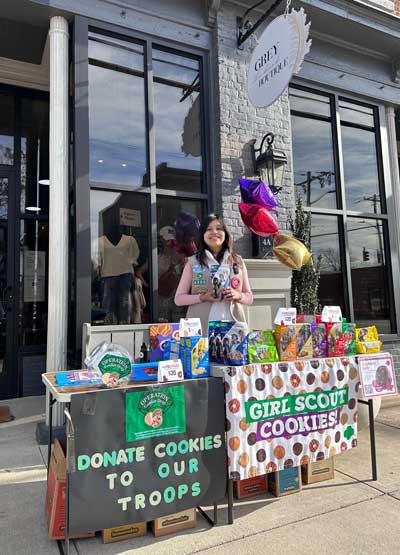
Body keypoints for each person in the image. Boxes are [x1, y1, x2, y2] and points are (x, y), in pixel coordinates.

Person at [174, 214, 253, 333]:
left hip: (233, 329)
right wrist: (202, 297)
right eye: (209, 229)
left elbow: (249, 297)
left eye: (219, 228)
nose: (214, 232)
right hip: (202, 329)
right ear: (202, 235)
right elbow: (179, 299)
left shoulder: (238, 261)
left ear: (225, 233)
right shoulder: (193, 262)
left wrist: (238, 295)